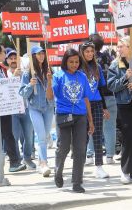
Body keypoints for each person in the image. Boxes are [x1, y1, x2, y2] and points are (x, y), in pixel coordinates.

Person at [107, 36, 132, 184]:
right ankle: (125, 170)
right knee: (130, 136)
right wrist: (125, 77)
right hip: (124, 105)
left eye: (121, 46)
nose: (118, 49)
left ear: (130, 47)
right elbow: (112, 86)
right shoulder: (114, 65)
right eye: (118, 46)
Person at [53, 48, 94, 193]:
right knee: (63, 147)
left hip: (80, 116)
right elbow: (50, 97)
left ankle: (77, 182)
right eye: (71, 62)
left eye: (77, 61)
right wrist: (48, 82)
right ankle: (57, 171)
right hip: (63, 115)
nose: (74, 64)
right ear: (65, 61)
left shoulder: (82, 76)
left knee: (80, 150)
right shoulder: (58, 76)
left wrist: (91, 120)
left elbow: (86, 99)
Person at [19, 46, 54, 177]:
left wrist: (50, 81)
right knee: (41, 137)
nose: (41, 56)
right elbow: (22, 93)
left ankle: (41, 162)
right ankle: (44, 163)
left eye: (43, 53)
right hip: (34, 108)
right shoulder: (28, 73)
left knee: (45, 135)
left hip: (49, 107)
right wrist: (30, 85)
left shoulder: (49, 71)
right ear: (33, 56)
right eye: (38, 54)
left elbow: (52, 93)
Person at [80, 41, 110, 179]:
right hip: (82, 105)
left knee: (98, 134)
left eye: (92, 51)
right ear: (82, 52)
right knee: (82, 136)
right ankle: (79, 166)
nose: (90, 54)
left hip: (97, 104)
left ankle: (99, 167)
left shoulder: (97, 67)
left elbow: (101, 88)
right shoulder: (78, 67)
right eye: (87, 51)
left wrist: (104, 107)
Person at [89, 34, 117, 164]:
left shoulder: (88, 60)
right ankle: (110, 156)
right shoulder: (109, 57)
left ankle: (90, 154)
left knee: (91, 125)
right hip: (111, 94)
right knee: (110, 126)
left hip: (95, 97)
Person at [6, 48, 36, 170]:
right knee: (14, 136)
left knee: (29, 137)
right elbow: (5, 90)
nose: (13, 61)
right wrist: (13, 77)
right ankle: (17, 161)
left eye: (15, 58)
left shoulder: (25, 73)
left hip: (26, 108)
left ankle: (27, 157)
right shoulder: (5, 73)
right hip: (12, 110)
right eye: (11, 58)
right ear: (7, 60)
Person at [0, 43, 26, 172]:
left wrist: (14, 78)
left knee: (8, 134)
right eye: (3, 52)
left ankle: (14, 163)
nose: (5, 54)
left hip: (4, 107)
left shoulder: (2, 68)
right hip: (1, 107)